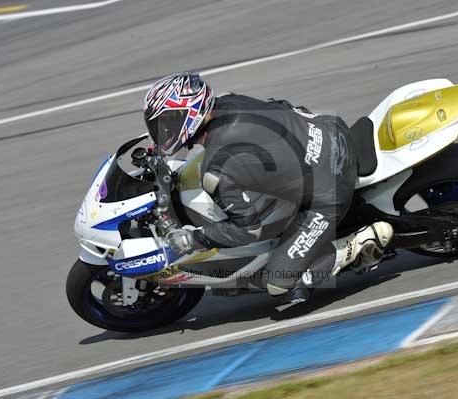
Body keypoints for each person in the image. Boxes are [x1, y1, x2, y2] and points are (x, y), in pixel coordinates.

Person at [143, 72, 393, 305]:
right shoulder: (229, 100)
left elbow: (248, 230)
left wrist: (194, 239)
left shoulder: (216, 170)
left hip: (331, 189)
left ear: (189, 114)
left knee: (278, 281)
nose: (163, 131)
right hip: (331, 129)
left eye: (166, 122)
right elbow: (282, 106)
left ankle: (361, 243)